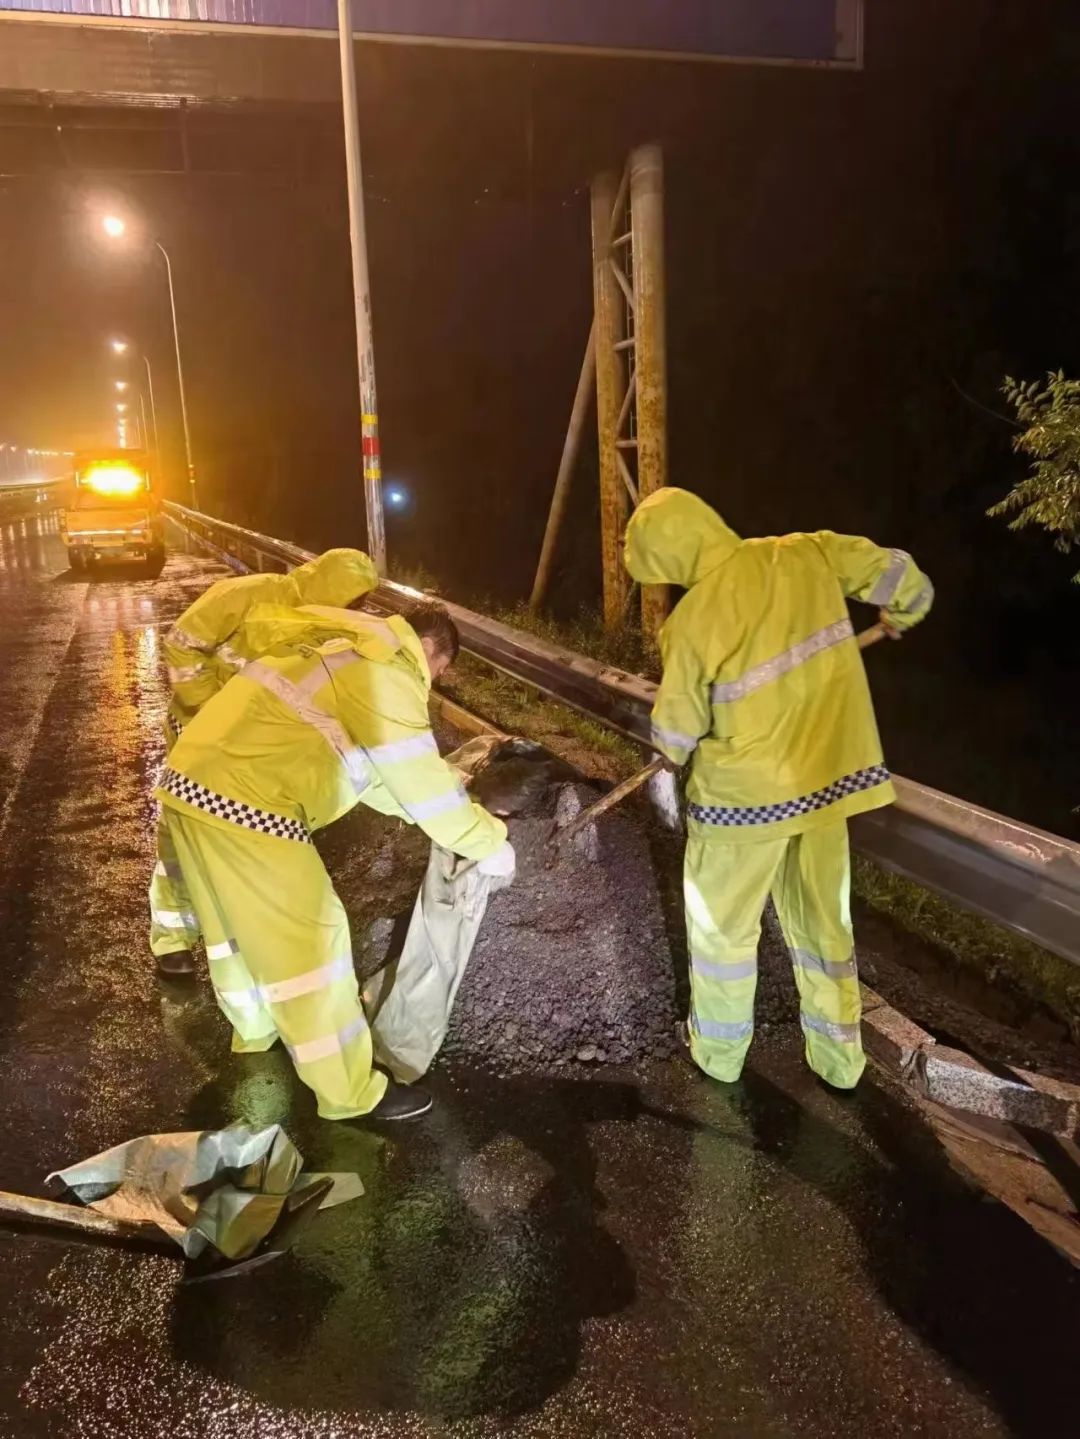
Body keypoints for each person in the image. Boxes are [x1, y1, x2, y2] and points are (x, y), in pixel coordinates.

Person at [154, 600, 514, 1122]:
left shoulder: (337, 650)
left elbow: (379, 779)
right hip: (250, 804)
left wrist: (445, 802)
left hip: (188, 785)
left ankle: (257, 1032)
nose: (433, 684)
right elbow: (422, 787)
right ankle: (349, 1093)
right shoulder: (389, 674)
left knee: (234, 929)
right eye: (437, 675)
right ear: (437, 658)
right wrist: (489, 842)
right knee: (314, 942)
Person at [624, 487, 933, 1090]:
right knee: (824, 927)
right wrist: (909, 604)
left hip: (742, 802)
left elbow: (680, 719)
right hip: (825, 786)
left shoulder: (692, 619)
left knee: (721, 929)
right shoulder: (804, 555)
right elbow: (892, 570)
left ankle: (719, 1054)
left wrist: (664, 767)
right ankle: (839, 1060)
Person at [150, 549, 379, 976]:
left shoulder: (328, 626)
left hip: (258, 755)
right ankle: (172, 939)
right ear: (333, 589)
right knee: (181, 834)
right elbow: (182, 646)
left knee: (250, 842)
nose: (358, 610)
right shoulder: (246, 594)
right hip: (198, 736)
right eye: (355, 600)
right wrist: (208, 711)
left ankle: (241, 934)